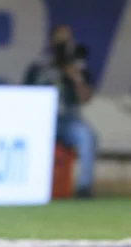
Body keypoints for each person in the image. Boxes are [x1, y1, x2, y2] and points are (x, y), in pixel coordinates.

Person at [24, 24, 97, 197]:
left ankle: (83, 188)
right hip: (40, 119)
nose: (63, 45)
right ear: (51, 42)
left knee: (87, 136)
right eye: (59, 40)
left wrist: (74, 76)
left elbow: (86, 98)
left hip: (67, 119)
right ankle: (30, 186)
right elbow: (25, 95)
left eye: (67, 40)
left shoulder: (78, 66)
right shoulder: (39, 66)